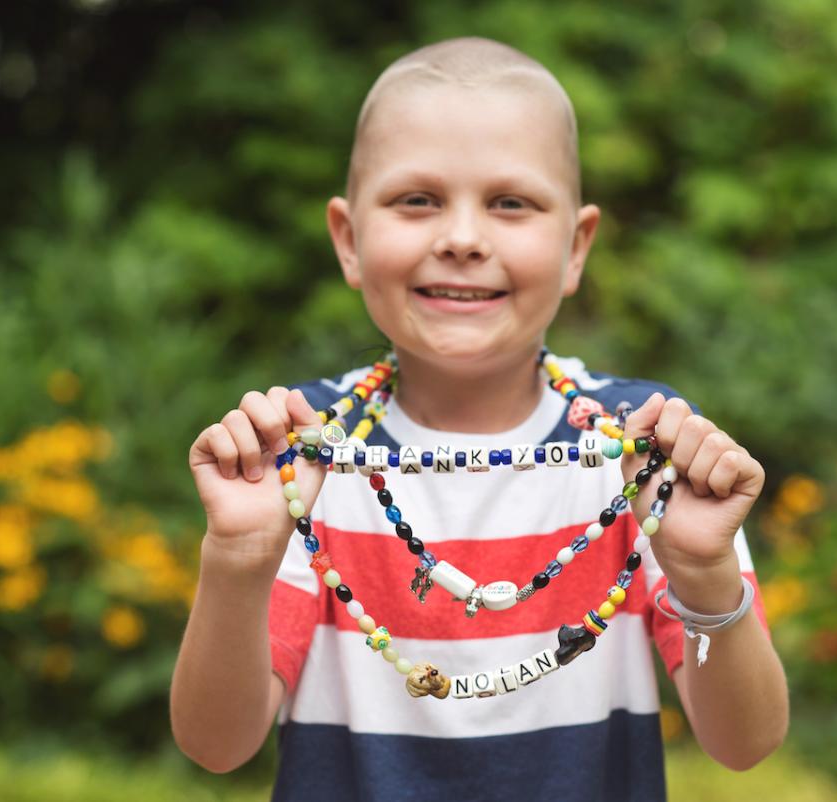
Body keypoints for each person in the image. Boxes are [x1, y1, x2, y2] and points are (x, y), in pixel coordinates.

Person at [171, 36, 788, 801]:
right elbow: (216, 745)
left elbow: (745, 741)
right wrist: (236, 559)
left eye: (511, 204)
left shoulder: (644, 446)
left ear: (576, 247)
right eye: (417, 200)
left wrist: (703, 573)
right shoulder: (301, 454)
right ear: (349, 239)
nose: (462, 239)